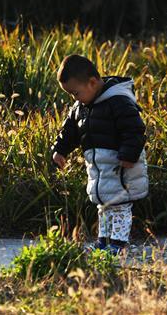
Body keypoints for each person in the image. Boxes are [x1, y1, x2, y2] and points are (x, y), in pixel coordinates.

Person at [51, 54, 148, 255]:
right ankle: (103, 242)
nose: (74, 98)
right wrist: (60, 150)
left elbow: (134, 130)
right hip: (99, 168)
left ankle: (118, 244)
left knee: (119, 206)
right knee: (103, 206)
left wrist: (128, 155)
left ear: (93, 83)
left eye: (75, 93)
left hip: (121, 166)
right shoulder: (81, 107)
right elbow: (69, 131)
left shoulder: (118, 101)